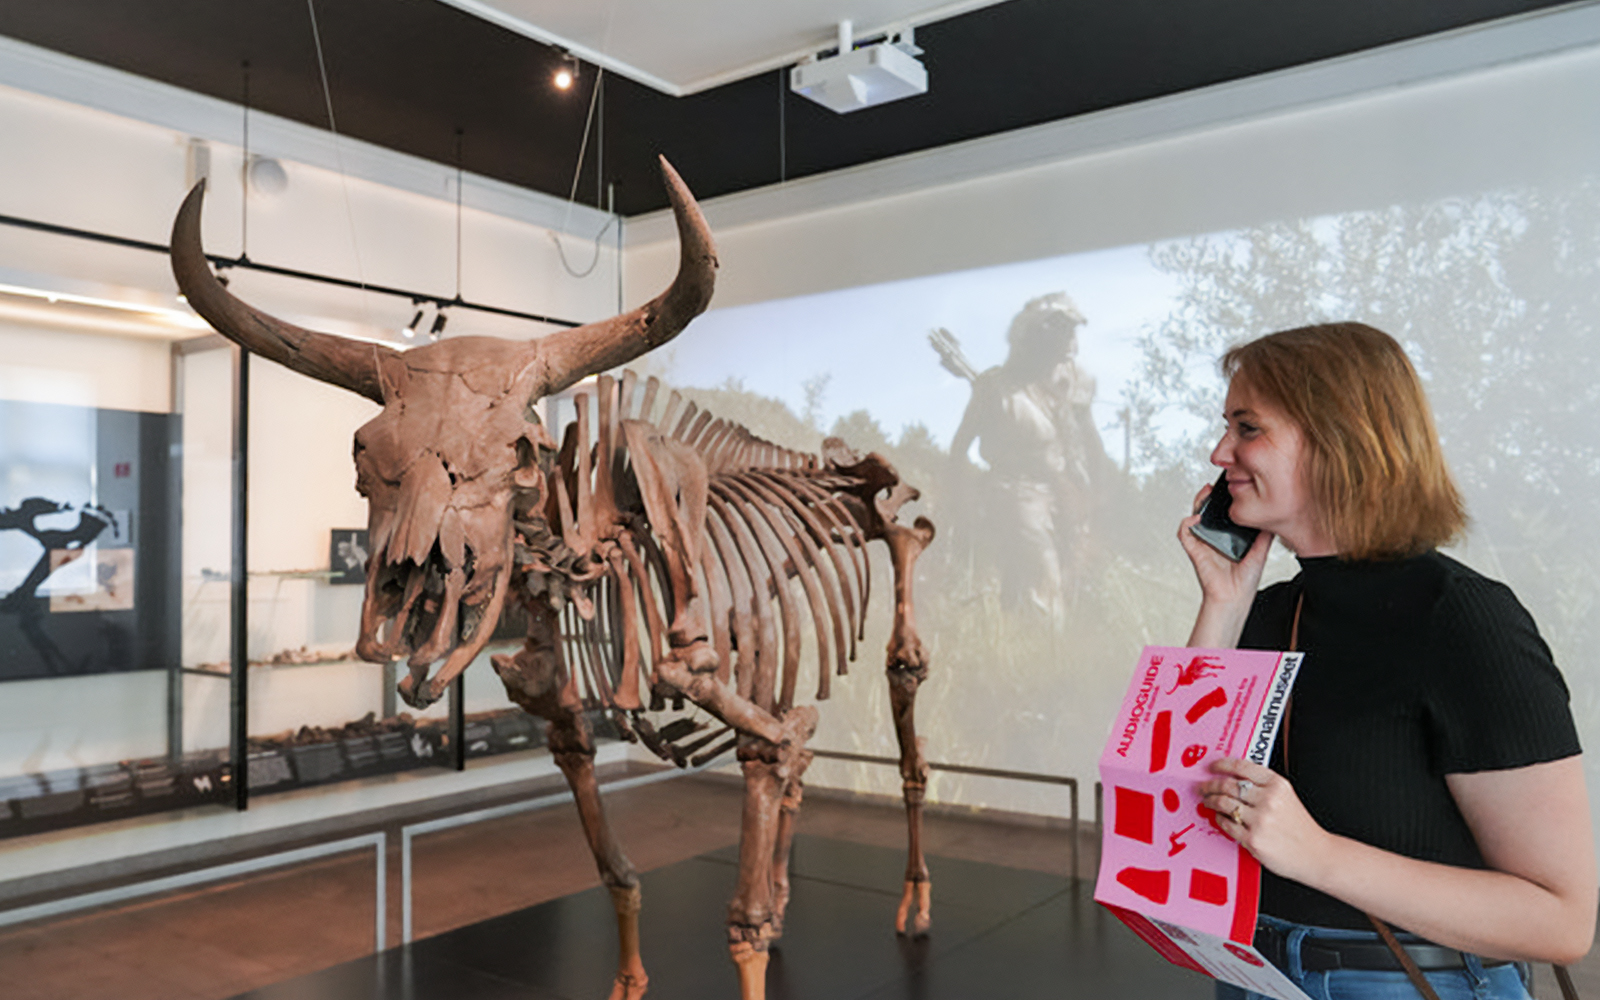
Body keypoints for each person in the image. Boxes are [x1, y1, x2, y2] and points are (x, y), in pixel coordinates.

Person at [1176, 323, 1595, 999]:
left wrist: (1319, 856)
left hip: (1396, 981)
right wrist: (1222, 604)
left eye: (1247, 427)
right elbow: (1182, 796)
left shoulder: (1464, 621)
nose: (1221, 450)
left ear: (1339, 435)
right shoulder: (1268, 609)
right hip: (1254, 970)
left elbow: (1562, 921)